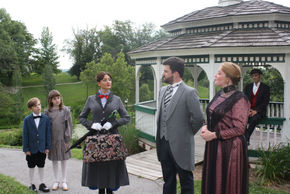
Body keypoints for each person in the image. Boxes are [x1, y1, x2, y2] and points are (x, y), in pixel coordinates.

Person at [156, 57, 204, 194]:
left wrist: (186, 133)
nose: (163, 74)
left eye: (166, 71)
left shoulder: (189, 92)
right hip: (163, 143)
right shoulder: (162, 91)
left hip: (182, 145)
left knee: (186, 183)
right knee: (168, 181)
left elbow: (199, 118)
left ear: (175, 73)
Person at [200, 62, 250, 194]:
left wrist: (214, 135)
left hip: (230, 149)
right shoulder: (219, 94)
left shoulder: (240, 99)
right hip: (214, 146)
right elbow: (212, 113)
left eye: (219, 73)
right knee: (213, 183)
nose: (215, 75)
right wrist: (205, 125)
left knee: (227, 186)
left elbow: (239, 129)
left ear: (228, 78)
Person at [79, 71, 130, 194]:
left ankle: (110, 191)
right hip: (95, 140)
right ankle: (100, 190)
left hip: (112, 139)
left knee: (111, 166)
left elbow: (126, 117)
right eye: (105, 80)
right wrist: (91, 124)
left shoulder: (117, 99)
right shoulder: (91, 99)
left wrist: (113, 124)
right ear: (99, 83)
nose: (108, 82)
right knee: (98, 167)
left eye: (109, 79)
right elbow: (82, 118)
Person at [45, 90, 72, 191]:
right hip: (53, 140)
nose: (57, 100)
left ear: (61, 98)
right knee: (55, 160)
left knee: (64, 160)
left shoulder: (65, 110)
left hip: (63, 139)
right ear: (50, 100)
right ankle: (56, 181)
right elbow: (47, 127)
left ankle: (64, 181)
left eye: (58, 98)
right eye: (54, 99)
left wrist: (67, 139)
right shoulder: (48, 112)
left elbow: (69, 125)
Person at [22, 97, 52, 192]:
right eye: (35, 106)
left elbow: (48, 134)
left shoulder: (46, 119)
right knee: (31, 166)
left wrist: (47, 147)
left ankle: (42, 183)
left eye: (39, 105)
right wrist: (26, 149)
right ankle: (31, 184)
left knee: (41, 166)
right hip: (31, 148)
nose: (38, 107)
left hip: (42, 148)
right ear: (31, 109)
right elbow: (25, 135)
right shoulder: (27, 120)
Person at [244, 68, 270, 145]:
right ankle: (246, 137)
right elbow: (245, 100)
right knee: (242, 118)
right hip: (249, 110)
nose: (254, 77)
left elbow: (265, 102)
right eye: (253, 76)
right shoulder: (248, 87)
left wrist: (256, 111)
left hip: (259, 111)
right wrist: (248, 110)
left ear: (260, 76)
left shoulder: (265, 88)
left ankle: (246, 137)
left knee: (254, 119)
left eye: (256, 75)